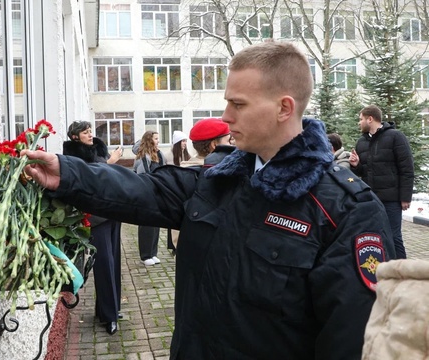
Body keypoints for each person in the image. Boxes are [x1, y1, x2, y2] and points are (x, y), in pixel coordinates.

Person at [22, 41, 396, 359]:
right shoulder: (221, 180)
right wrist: (67, 173)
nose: (225, 116)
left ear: (284, 107)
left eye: (239, 104)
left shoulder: (346, 211)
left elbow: (354, 342)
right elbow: (143, 190)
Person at [63, 121, 123, 335]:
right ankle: (109, 318)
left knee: (114, 262)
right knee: (104, 263)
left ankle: (111, 308)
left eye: (90, 131)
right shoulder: (74, 156)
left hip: (112, 212)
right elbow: (89, 179)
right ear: (74, 136)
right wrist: (111, 161)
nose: (90, 134)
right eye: (85, 132)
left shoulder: (96, 150)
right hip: (95, 218)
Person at [349, 104, 414, 259]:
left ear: (370, 119)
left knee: (393, 236)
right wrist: (356, 165)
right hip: (372, 200)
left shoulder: (395, 137)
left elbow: (407, 168)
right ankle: (383, 272)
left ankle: (402, 274)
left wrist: (405, 197)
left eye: (361, 119)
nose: (359, 123)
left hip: (391, 199)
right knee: (375, 238)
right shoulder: (361, 142)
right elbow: (363, 173)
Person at [133, 131, 165, 266]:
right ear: (149, 140)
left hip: (158, 192)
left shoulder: (159, 154)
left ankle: (153, 253)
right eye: (156, 138)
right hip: (146, 193)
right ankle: (145, 255)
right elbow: (143, 175)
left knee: (156, 223)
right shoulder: (142, 156)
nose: (158, 141)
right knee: (146, 224)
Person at [164, 130, 191, 254]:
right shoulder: (168, 156)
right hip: (173, 190)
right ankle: (174, 245)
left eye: (186, 141)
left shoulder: (187, 155)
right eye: (182, 141)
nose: (185, 144)